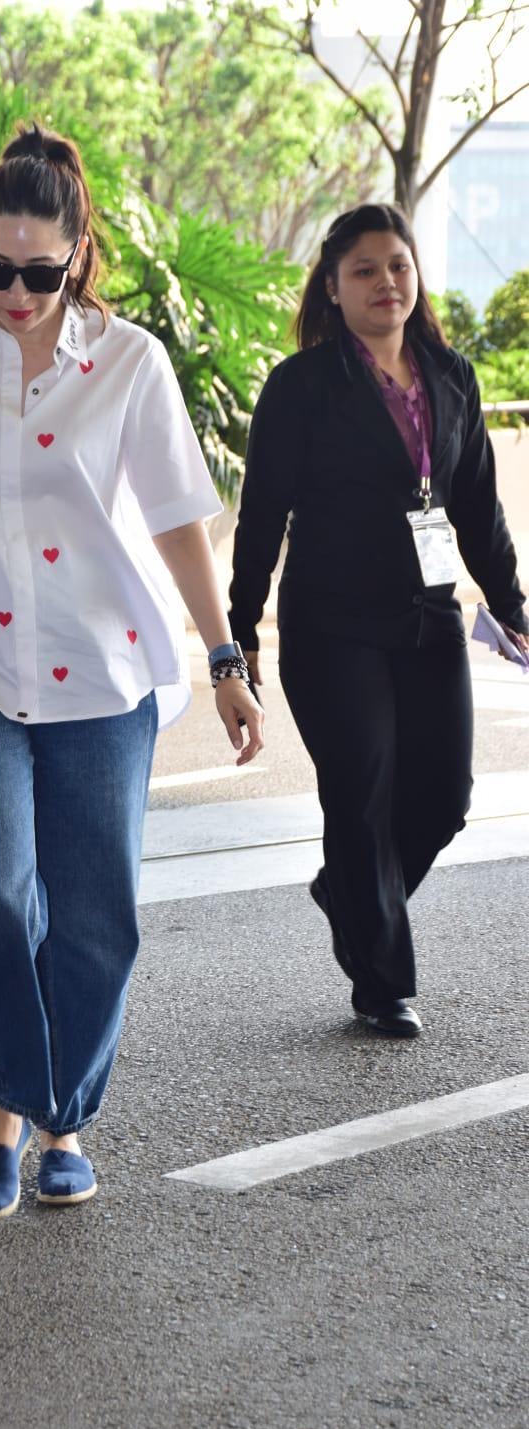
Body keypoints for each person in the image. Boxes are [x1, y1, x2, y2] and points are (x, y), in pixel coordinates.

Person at [0, 124, 264, 1219]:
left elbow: (177, 521)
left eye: (38, 272)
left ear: (75, 255)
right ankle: (9, 1100)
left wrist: (223, 657)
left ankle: (54, 1122)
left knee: (94, 916)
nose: (14, 292)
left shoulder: (130, 363)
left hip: (101, 669)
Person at [228, 203, 528, 1038]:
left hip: (430, 620)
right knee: (360, 795)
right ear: (332, 287)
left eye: (397, 265)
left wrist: (512, 605)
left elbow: (477, 506)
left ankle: (348, 893)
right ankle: (383, 983)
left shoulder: (453, 376)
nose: (385, 283)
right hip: (333, 627)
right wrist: (239, 628)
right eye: (363, 270)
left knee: (443, 797)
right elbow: (262, 514)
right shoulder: (303, 385)